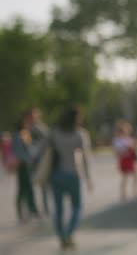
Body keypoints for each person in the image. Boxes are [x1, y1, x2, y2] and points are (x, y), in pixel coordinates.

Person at [47, 104, 93, 250]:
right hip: (73, 175)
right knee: (77, 207)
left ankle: (62, 237)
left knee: (59, 209)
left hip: (56, 175)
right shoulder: (80, 134)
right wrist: (88, 178)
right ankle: (68, 233)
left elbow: (42, 150)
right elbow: (85, 158)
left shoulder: (54, 133)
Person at [11, 112, 40, 223]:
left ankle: (28, 210)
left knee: (25, 188)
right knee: (25, 188)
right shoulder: (22, 134)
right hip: (23, 165)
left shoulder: (22, 134)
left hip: (23, 164)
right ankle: (27, 211)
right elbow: (23, 151)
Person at [112, 119, 137, 201]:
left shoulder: (129, 139)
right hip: (124, 159)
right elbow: (116, 152)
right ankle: (123, 194)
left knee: (136, 176)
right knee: (125, 178)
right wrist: (126, 149)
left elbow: (134, 149)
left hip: (130, 159)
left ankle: (135, 192)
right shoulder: (117, 140)